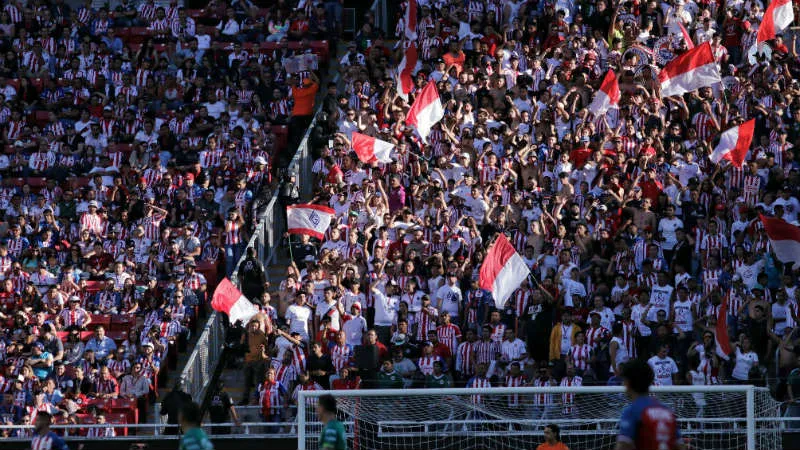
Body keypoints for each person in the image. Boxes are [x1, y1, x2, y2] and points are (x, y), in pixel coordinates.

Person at [616, 360, 685, 450]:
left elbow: (624, 446)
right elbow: (680, 446)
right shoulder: (667, 411)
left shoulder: (632, 411)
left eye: (623, 381)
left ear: (627, 383)